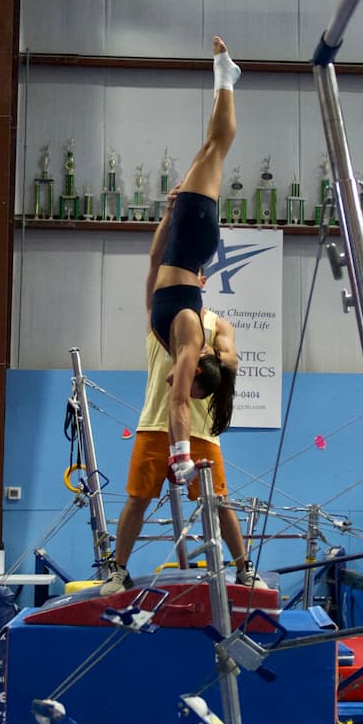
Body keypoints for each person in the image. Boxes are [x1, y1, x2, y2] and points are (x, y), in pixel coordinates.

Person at [101, 205, 266, 595]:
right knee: (138, 500)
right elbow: (155, 260)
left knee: (220, 502)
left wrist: (204, 351)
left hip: (201, 428)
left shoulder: (217, 325)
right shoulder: (158, 314)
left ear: (202, 280)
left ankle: (243, 567)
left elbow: (232, 360)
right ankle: (119, 569)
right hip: (156, 422)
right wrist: (170, 214)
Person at [150, 35, 240, 486]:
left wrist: (167, 216)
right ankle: (226, 77)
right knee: (216, 147)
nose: (177, 383)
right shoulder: (187, 336)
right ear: (197, 359)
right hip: (194, 237)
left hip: (183, 240)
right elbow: (180, 404)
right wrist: (180, 455)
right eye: (188, 379)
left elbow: (153, 263)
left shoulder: (169, 331)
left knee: (209, 149)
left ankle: (224, 79)